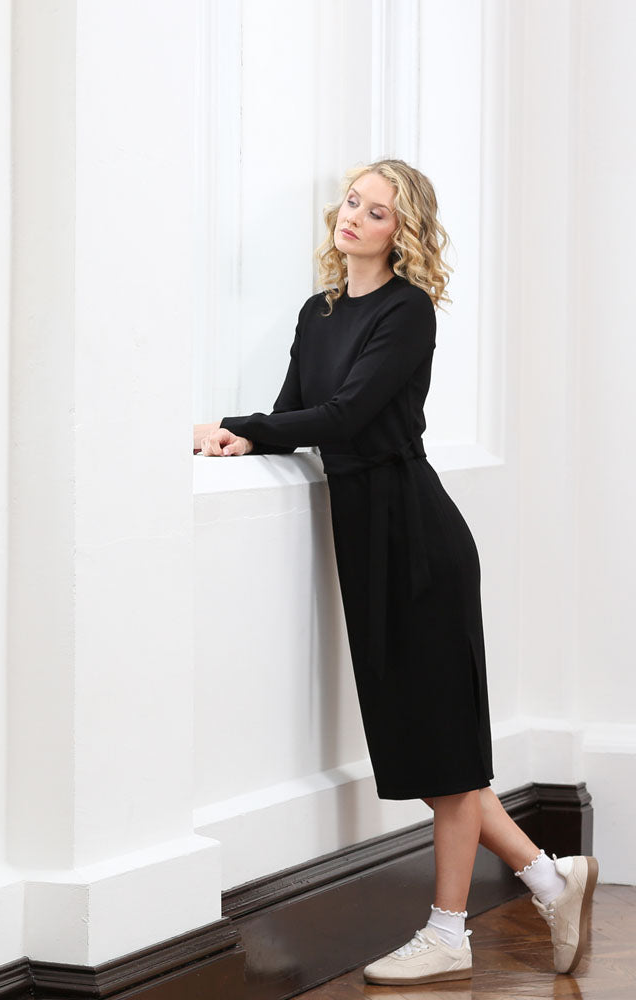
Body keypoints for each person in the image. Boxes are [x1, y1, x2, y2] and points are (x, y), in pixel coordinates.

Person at [194, 159, 598, 986]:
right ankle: (551, 880)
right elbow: (296, 412)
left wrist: (242, 422)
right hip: (366, 539)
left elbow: (345, 416)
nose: (355, 217)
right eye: (353, 201)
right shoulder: (318, 312)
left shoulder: (407, 311)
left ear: (401, 233)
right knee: (426, 747)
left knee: (444, 754)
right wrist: (244, 436)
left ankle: (449, 933)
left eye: (377, 212)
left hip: (417, 537)